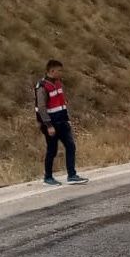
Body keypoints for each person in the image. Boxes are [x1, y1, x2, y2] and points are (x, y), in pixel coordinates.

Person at [34, 59, 88, 187]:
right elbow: (41, 108)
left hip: (62, 122)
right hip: (52, 124)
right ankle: (48, 177)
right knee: (52, 151)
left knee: (70, 146)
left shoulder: (57, 83)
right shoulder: (42, 87)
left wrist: (67, 119)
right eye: (59, 70)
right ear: (51, 71)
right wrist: (48, 125)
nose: (61, 73)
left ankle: (72, 175)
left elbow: (61, 103)